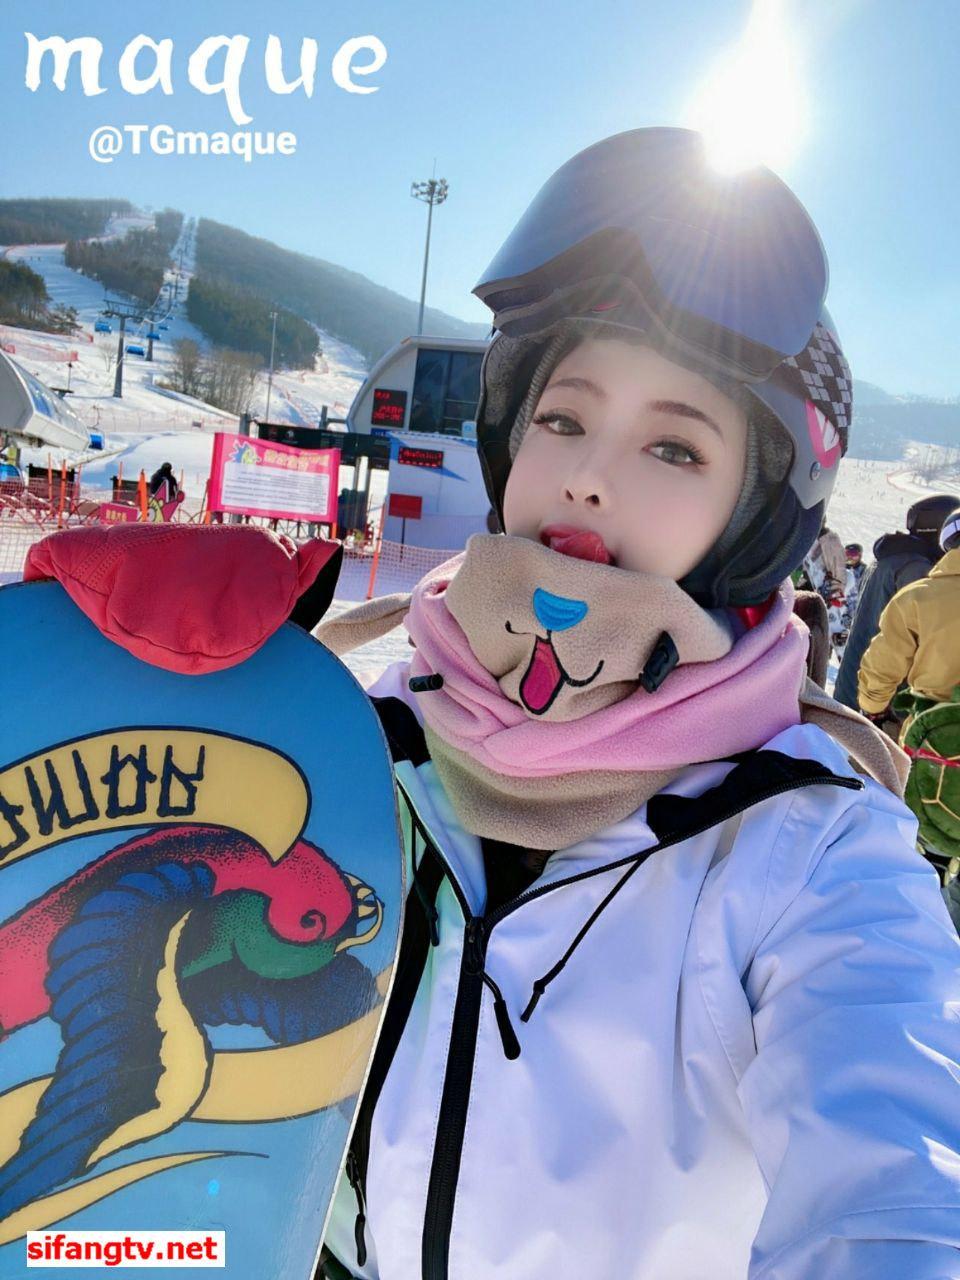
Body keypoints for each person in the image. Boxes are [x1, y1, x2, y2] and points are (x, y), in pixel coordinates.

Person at [315, 130, 960, 1280]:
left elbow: (900, 1173)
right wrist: (163, 699)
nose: (590, 473)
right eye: (563, 417)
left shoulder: (807, 853)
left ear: (758, 516)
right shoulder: (367, 734)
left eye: (674, 444)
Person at [834, 492, 958, 708]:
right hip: (879, 695)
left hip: (858, 679)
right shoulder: (915, 569)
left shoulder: (889, 558)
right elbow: (924, 638)